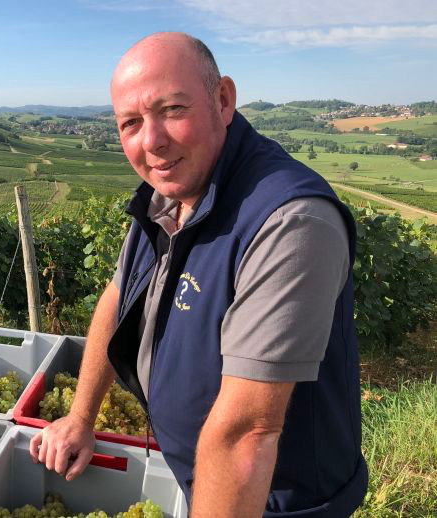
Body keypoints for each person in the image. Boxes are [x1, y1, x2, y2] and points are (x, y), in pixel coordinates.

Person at [29, 32, 367, 517]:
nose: (152, 140)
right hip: (200, 481)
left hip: (272, 503)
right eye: (130, 123)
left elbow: (246, 435)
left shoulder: (289, 221)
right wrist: (82, 417)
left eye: (171, 109)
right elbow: (120, 294)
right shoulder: (171, 190)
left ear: (223, 100)